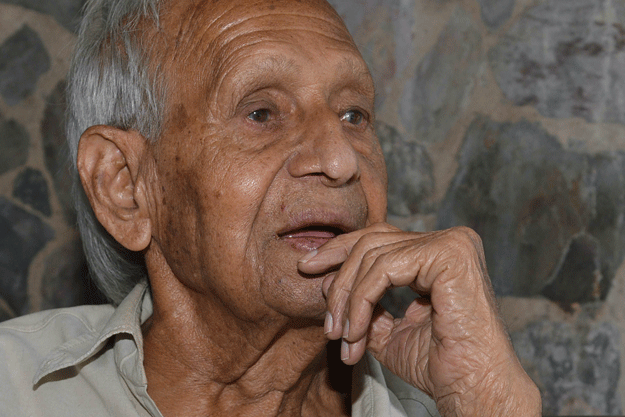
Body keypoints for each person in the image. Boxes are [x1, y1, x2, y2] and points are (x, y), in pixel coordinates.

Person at [0, 0, 541, 415]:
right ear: (126, 185)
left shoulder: (440, 403)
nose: (339, 160)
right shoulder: (18, 391)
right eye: (261, 113)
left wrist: (491, 399)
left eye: (354, 115)